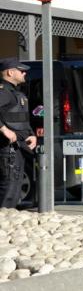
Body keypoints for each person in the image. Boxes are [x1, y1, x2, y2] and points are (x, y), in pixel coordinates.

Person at [0, 59, 36, 210]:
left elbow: (22, 119)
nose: (24, 73)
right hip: (7, 148)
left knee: (14, 188)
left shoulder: (17, 93)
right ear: (10, 72)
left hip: (19, 147)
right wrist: (4, 129)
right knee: (8, 188)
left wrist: (31, 134)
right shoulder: (4, 92)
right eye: (21, 70)